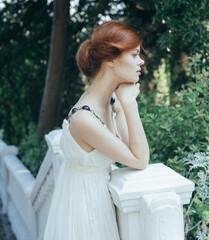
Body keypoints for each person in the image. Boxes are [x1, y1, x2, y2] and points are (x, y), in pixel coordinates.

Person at [44, 20, 149, 240]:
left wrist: (123, 106)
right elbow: (140, 160)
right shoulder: (84, 118)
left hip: (98, 203)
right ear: (111, 59)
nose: (141, 61)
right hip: (85, 213)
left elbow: (134, 150)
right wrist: (131, 105)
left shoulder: (110, 101)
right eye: (134, 55)